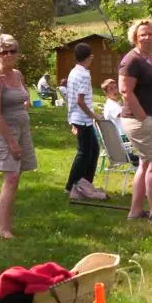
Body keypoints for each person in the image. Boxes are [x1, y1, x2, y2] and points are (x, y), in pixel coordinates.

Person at [119, 20, 152, 225]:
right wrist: (144, 118)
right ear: (135, 37)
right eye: (142, 34)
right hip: (139, 119)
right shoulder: (131, 60)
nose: (147, 37)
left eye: (151, 34)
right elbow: (125, 91)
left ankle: (135, 211)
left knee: (146, 162)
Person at [0, 34, 37, 239]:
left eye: (12, 51)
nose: (8, 55)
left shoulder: (18, 74)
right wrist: (12, 142)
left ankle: (8, 223)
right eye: (3, 51)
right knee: (11, 178)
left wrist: (24, 105)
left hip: (22, 128)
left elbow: (25, 97)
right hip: (4, 131)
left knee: (17, 178)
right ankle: (3, 230)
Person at [65, 43, 107, 200]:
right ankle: (72, 186)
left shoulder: (73, 72)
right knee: (84, 154)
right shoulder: (83, 74)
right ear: (90, 57)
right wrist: (93, 115)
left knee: (93, 151)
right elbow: (80, 100)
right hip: (83, 119)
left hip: (79, 118)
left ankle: (84, 184)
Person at [100, 78, 139, 166]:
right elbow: (127, 115)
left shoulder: (114, 104)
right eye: (111, 89)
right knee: (149, 155)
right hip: (122, 144)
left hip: (122, 143)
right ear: (106, 93)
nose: (115, 90)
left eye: (115, 87)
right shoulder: (111, 106)